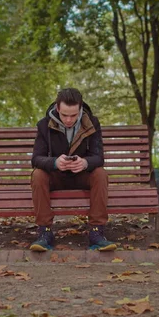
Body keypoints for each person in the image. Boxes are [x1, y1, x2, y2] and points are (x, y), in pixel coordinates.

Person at [30, 88, 116, 252]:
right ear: (57, 108)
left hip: (81, 176)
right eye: (64, 115)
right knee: (38, 175)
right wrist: (55, 162)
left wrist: (84, 163)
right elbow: (36, 159)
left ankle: (96, 233)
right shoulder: (44, 125)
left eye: (73, 115)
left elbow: (99, 158)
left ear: (80, 109)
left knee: (100, 173)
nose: (69, 120)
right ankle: (45, 232)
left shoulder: (92, 123)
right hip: (56, 176)